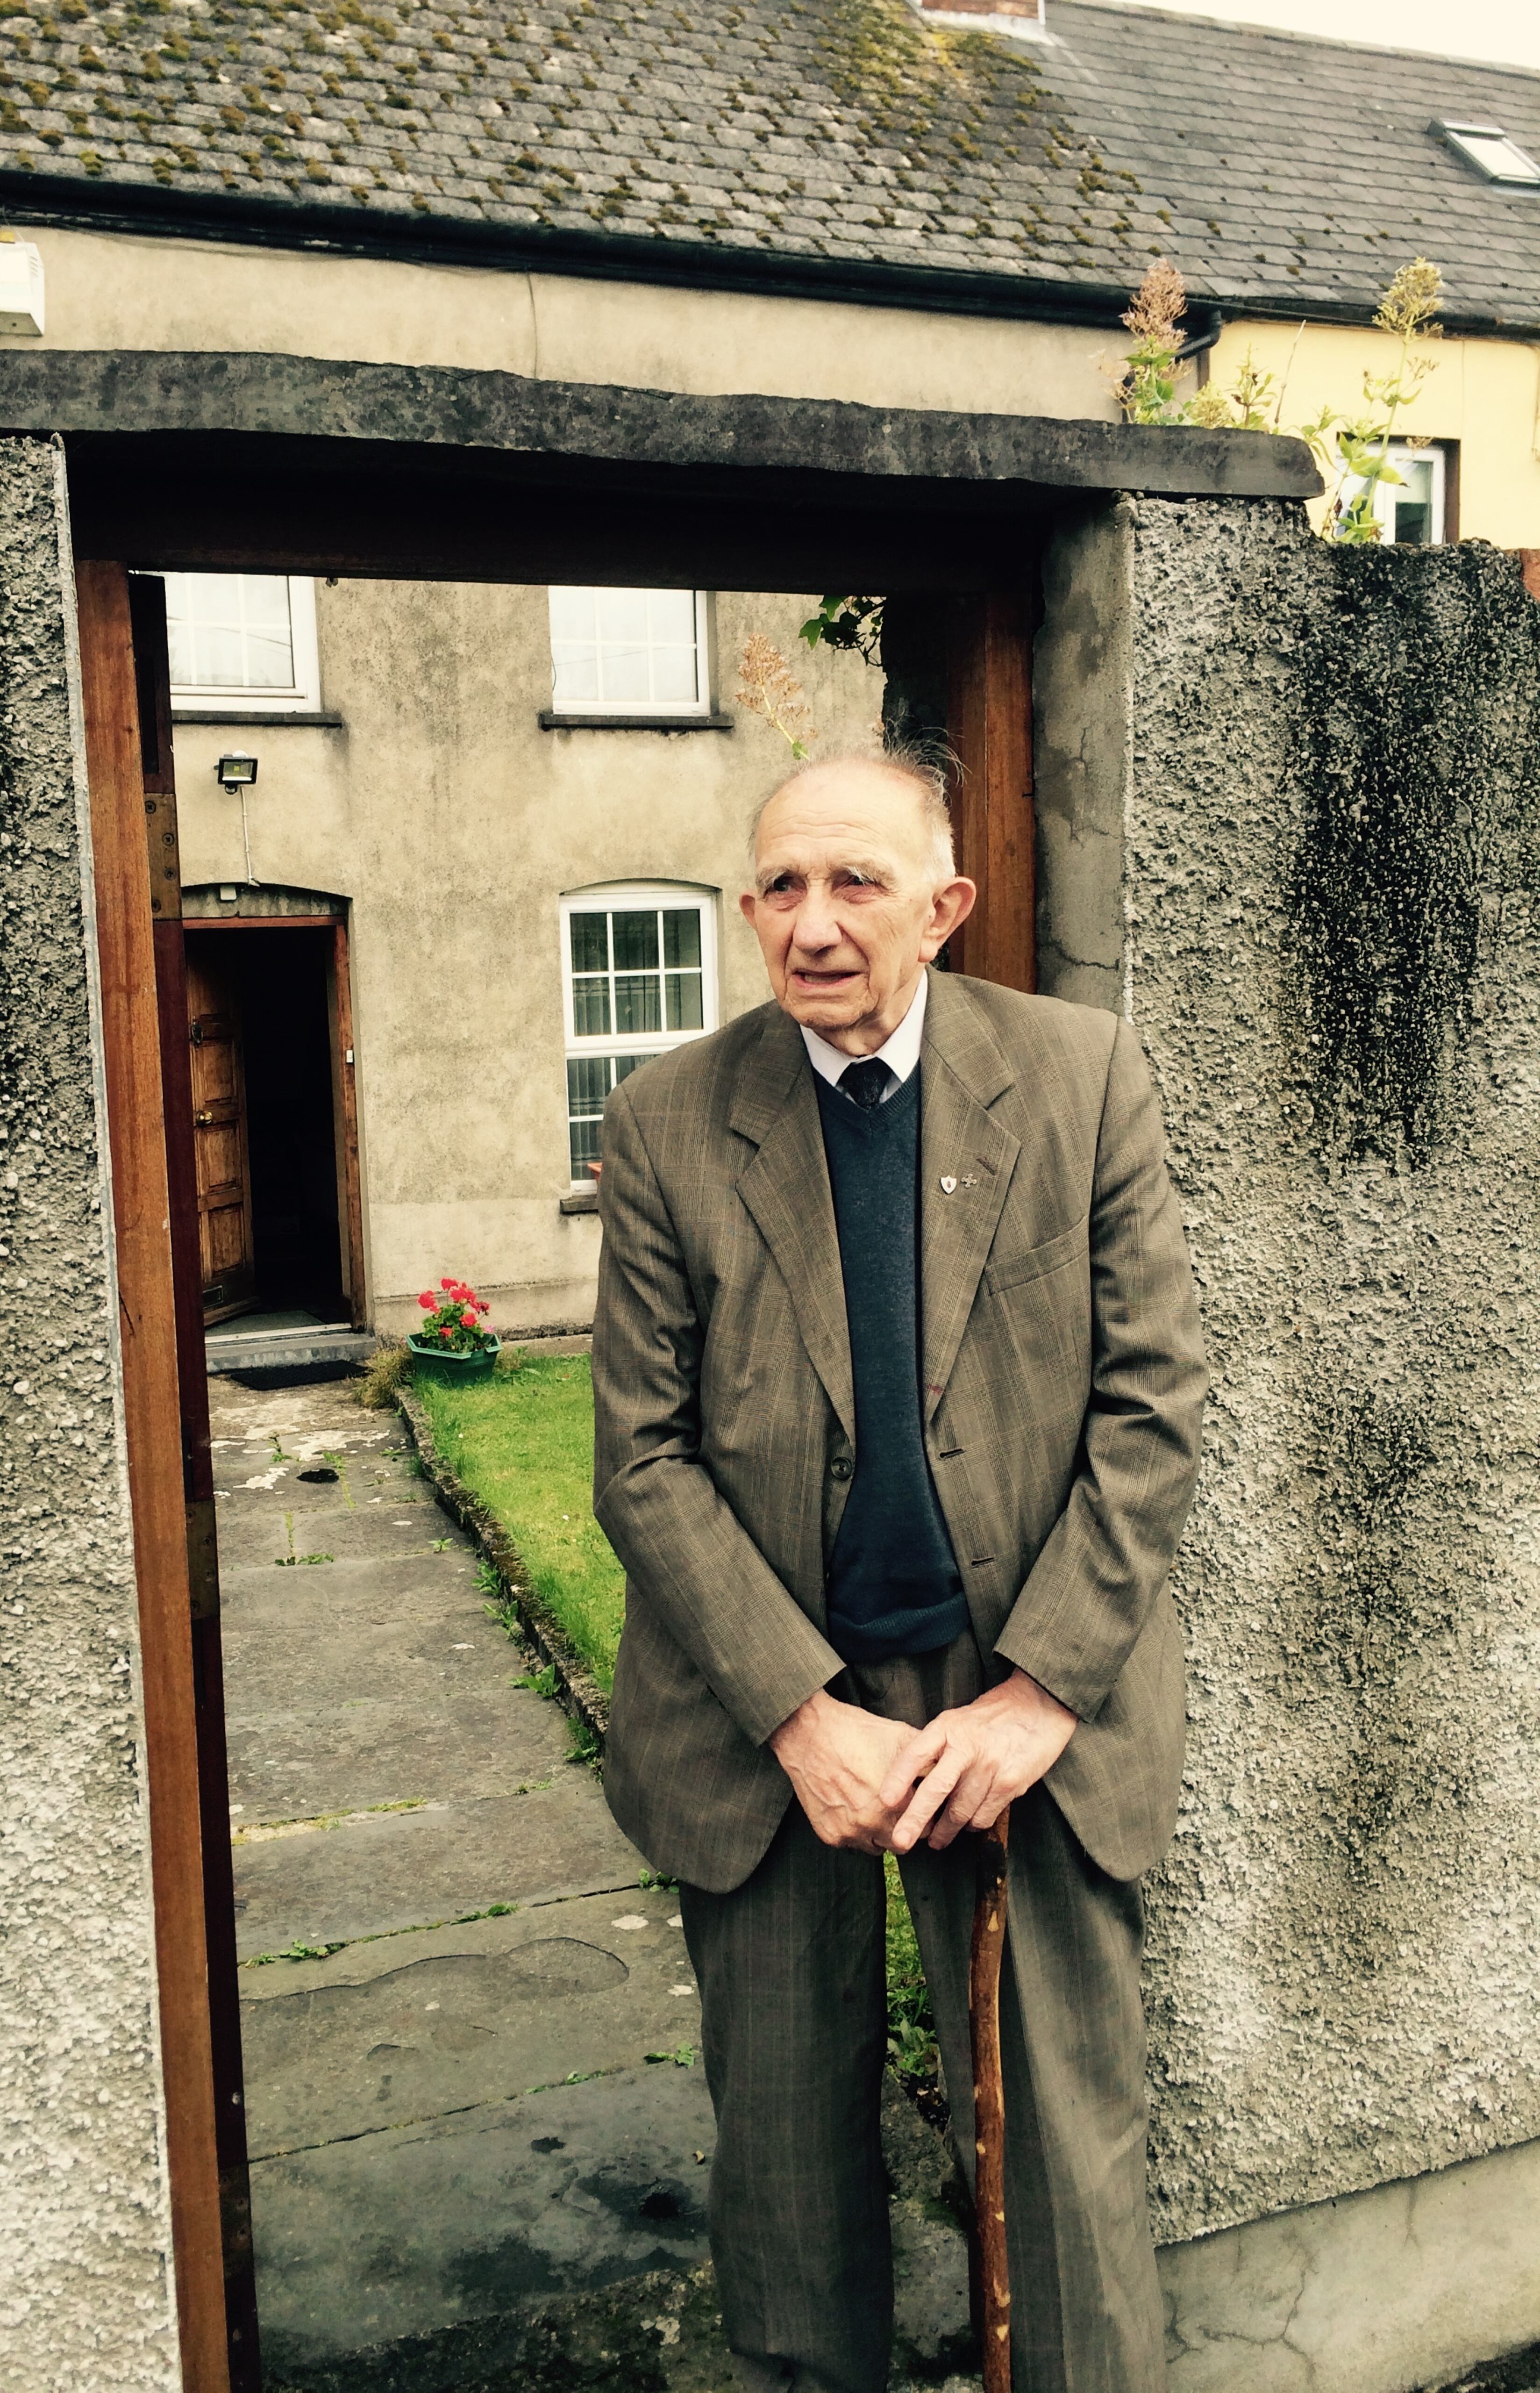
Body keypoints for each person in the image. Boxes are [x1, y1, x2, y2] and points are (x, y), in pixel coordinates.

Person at [591, 746, 1206, 2393]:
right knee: (785, 2158)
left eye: (856, 882)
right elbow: (640, 1459)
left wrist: (1041, 1695)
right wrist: (799, 1715)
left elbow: (1155, 1408)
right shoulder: (667, 1116)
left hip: (1015, 1689)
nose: (812, 923)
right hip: (765, 1699)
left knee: (1065, 2158)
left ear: (944, 907)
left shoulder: (1081, 1076)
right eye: (781, 886)